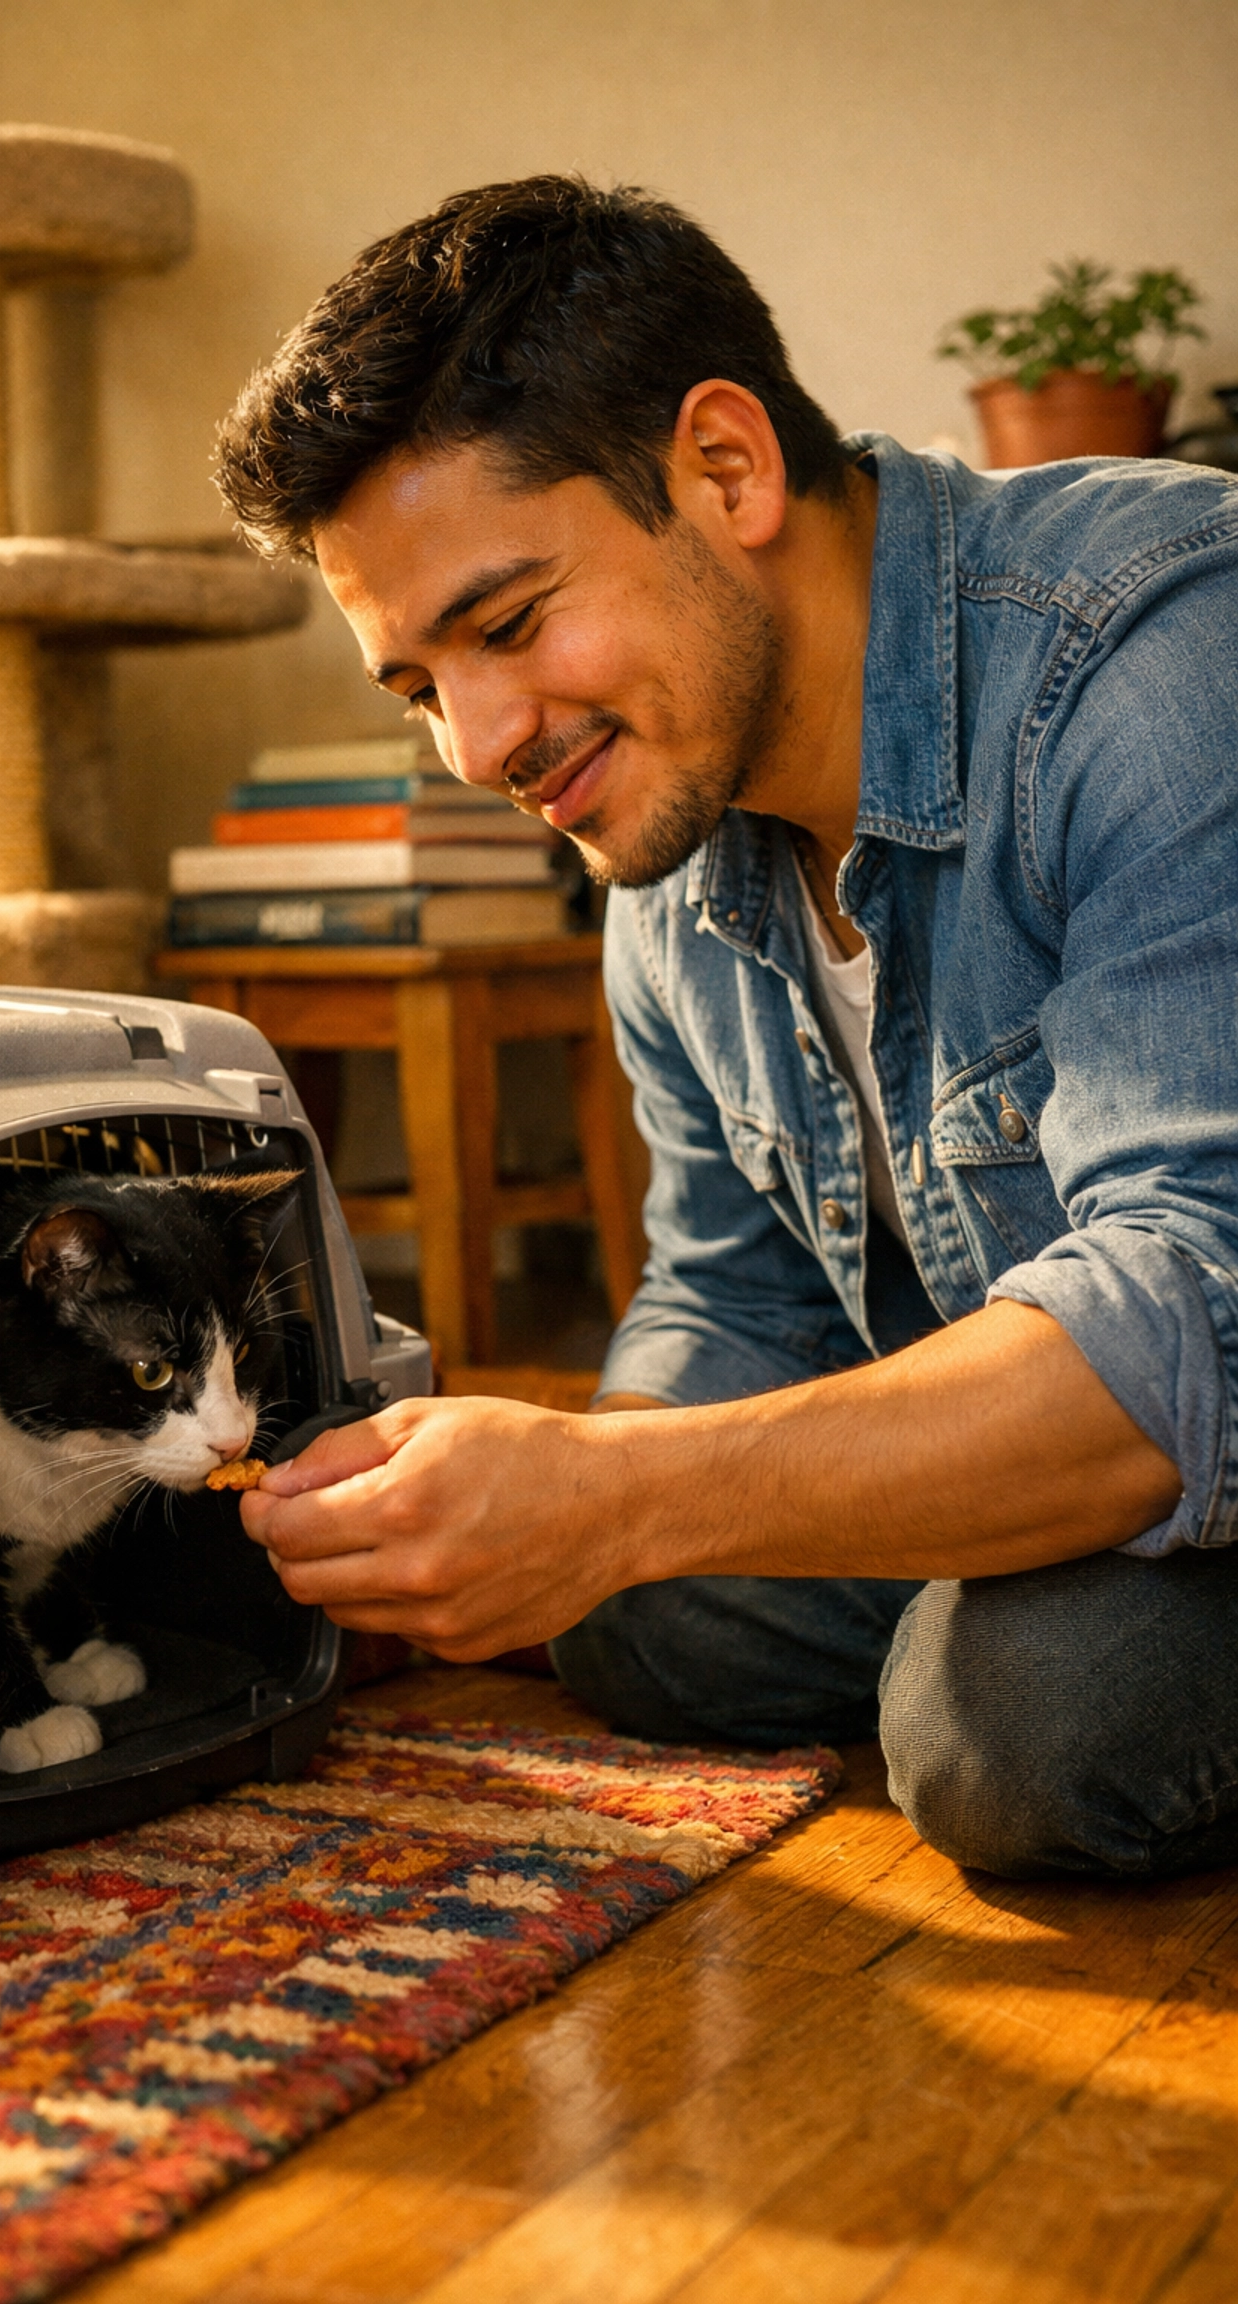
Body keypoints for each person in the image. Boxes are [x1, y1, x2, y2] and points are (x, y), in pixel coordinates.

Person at [215, 175, 1238, 1880]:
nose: (475, 748)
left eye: (509, 624)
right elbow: (734, 1293)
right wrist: (513, 1515)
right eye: (418, 686)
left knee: (1027, 1726)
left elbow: (1199, 1316)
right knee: (639, 1625)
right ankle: (987, 1525)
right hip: (1088, 1424)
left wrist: (625, 1502)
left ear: (725, 468)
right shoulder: (668, 875)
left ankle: (996, 1571)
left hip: (1210, 1378)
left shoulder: (1157, 654)